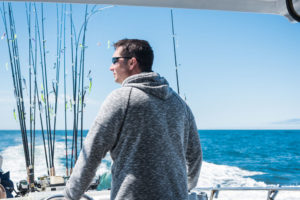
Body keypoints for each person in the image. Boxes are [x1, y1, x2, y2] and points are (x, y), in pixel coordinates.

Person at [63, 39, 202, 200]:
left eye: (115, 60)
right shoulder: (180, 104)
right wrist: (185, 187)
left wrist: (69, 196)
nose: (111, 67)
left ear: (132, 62)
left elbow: (92, 153)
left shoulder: (121, 98)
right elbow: (195, 156)